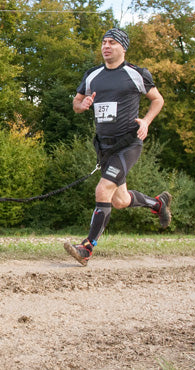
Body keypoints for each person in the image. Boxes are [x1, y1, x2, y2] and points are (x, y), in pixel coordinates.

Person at [64, 28, 171, 266]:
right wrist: (83, 104)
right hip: (104, 147)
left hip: (128, 144)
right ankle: (158, 204)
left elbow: (158, 99)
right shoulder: (93, 75)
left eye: (112, 42)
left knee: (103, 190)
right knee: (120, 200)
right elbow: (76, 103)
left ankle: (86, 248)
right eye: (104, 42)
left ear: (123, 47)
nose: (106, 46)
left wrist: (146, 121)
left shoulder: (136, 74)